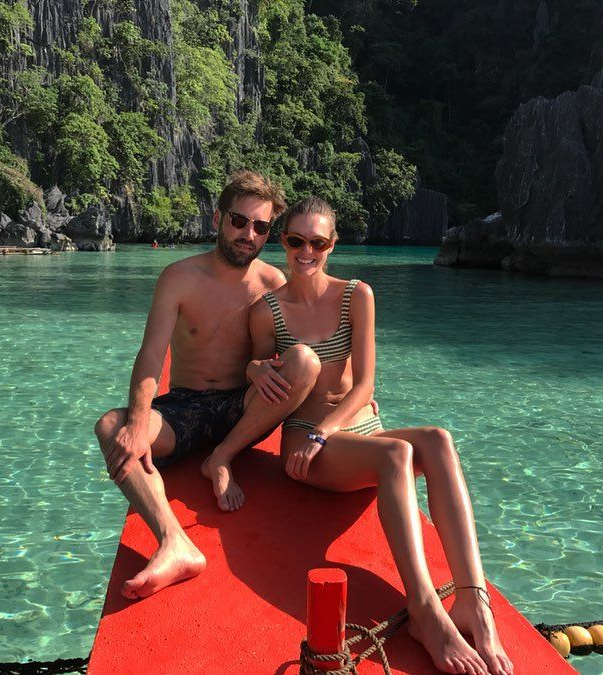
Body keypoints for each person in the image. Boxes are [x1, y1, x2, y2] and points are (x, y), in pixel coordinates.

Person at [248, 196, 513, 675]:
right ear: (282, 241)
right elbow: (263, 380)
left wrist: (330, 428)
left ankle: (474, 600)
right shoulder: (268, 311)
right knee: (395, 455)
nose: (306, 252)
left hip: (350, 429)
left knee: (437, 439)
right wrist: (256, 371)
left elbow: (366, 384)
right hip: (305, 442)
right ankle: (425, 612)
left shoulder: (357, 295)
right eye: (296, 240)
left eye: (318, 242)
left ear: (332, 244)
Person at [94, 171, 320, 599]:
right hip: (185, 409)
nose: (248, 234)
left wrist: (356, 401)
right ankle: (174, 541)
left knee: (305, 362)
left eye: (261, 227)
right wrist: (138, 422)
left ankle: (222, 456)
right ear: (218, 218)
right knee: (111, 426)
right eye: (239, 221)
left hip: (243, 410)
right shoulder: (178, 277)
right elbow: (150, 356)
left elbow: (307, 351)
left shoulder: (273, 284)